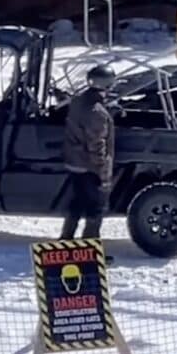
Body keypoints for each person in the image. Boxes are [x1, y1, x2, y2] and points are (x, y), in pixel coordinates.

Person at [60, 64, 116, 243]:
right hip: (89, 166)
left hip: (74, 162)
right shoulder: (97, 113)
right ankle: (90, 248)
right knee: (96, 208)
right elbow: (96, 144)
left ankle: (66, 240)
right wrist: (103, 173)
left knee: (77, 203)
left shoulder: (77, 101)